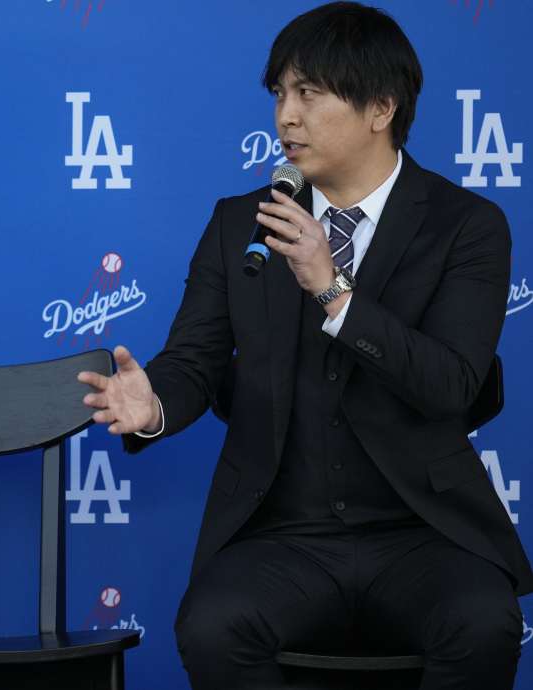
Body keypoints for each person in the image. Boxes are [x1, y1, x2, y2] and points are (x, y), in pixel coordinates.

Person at [78, 2, 530, 688]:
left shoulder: (466, 226)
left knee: (483, 624)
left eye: (309, 94)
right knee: (213, 625)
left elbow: (450, 384)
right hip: (283, 534)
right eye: (280, 94)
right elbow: (194, 360)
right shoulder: (240, 224)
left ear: (381, 108)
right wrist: (155, 406)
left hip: (424, 532)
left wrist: (334, 290)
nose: (285, 117)